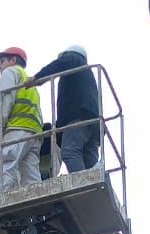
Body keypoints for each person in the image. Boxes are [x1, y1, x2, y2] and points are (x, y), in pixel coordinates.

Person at [33, 44, 102, 173]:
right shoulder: (86, 75)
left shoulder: (74, 58)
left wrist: (38, 77)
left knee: (70, 152)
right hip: (93, 123)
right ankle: (93, 181)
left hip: (78, 118)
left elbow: (60, 64)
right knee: (89, 159)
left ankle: (82, 184)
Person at [0, 46, 42, 193]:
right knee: (31, 177)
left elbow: (4, 100)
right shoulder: (30, 82)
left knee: (7, 167)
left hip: (17, 130)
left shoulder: (11, 72)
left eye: (2, 61)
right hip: (35, 133)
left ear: (13, 60)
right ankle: (38, 203)